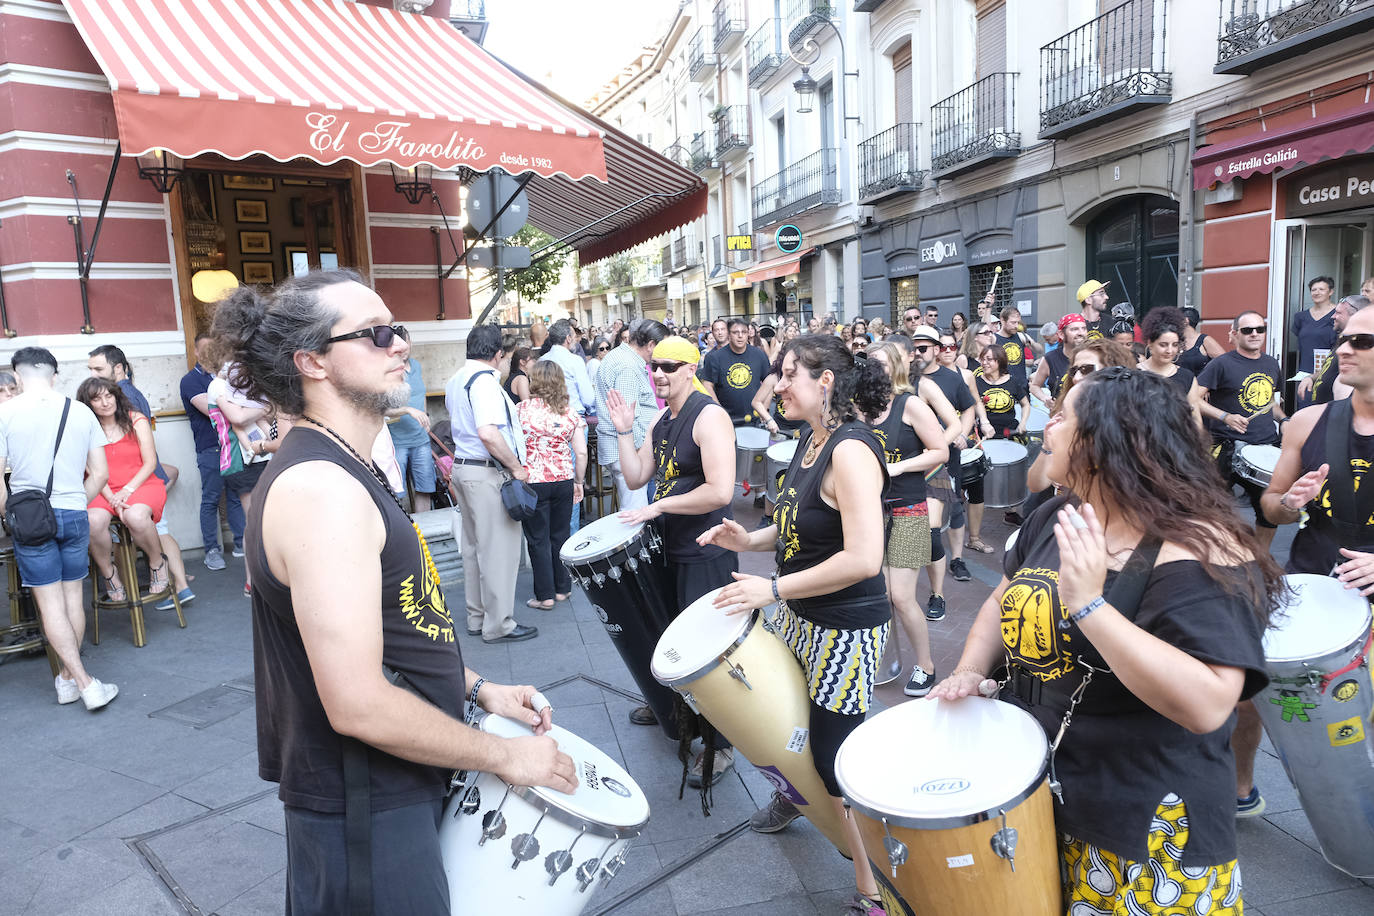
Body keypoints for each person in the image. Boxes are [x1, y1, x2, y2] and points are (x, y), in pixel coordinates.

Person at [208, 270, 574, 915]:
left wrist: (478, 688)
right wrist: (506, 757)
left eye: (397, 329)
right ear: (311, 361)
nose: (400, 343)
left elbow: (394, 625)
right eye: (377, 334)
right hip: (365, 802)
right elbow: (357, 704)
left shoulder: (336, 462)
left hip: (390, 785)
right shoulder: (320, 489)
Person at [931, 367, 1280, 916]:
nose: (1047, 427)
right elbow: (1002, 601)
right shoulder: (1058, 512)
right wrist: (972, 669)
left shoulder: (1198, 547)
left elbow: (1211, 703)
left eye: (1063, 416)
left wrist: (1091, 605)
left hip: (1144, 832)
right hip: (1044, 795)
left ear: (1101, 441)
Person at [700, 334, 891, 916]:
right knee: (784, 721)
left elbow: (864, 558)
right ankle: (797, 799)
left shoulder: (851, 450)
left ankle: (874, 885)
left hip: (846, 629)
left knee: (835, 753)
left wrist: (773, 587)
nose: (776, 384)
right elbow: (796, 528)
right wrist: (749, 539)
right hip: (801, 617)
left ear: (825, 381)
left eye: (788, 374)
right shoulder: (810, 440)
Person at [1251, 302, 1374, 817]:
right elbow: (1271, 508)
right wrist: (1290, 502)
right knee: (1252, 686)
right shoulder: (1307, 421)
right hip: (1311, 579)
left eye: (1361, 342)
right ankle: (1241, 791)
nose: (1343, 348)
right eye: (1344, 337)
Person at [608, 335, 737, 783]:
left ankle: (721, 746)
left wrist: (659, 506)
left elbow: (720, 490)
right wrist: (624, 430)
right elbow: (637, 473)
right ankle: (676, 708)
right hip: (667, 547)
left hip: (705, 551)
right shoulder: (661, 420)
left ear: (690, 369)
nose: (659, 373)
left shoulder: (710, 417)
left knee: (708, 649)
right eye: (654, 366)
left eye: (669, 366)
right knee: (668, 634)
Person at [0, 348, 116, 710]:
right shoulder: (80, 411)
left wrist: (10, 513)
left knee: (50, 606)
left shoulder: (5, 412)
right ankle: (70, 680)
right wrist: (76, 500)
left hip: (31, 517)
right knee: (71, 599)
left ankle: (80, 681)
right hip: (74, 512)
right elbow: (100, 474)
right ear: (54, 375)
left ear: (17, 377)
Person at [446, 324, 538, 644]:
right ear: (499, 354)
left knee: (473, 550)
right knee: (499, 551)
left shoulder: (457, 379)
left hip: (464, 469)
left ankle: (477, 617)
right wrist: (516, 467)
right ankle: (499, 624)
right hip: (485, 472)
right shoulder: (484, 383)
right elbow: (488, 433)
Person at [865, 342, 947, 696]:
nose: (874, 370)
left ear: (896, 367)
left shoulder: (909, 404)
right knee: (880, 595)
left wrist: (899, 466)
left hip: (909, 509)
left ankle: (926, 666)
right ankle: (885, 660)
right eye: (870, 364)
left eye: (881, 364)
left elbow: (940, 450)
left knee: (901, 596)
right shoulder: (862, 410)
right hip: (871, 512)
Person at [87, 344, 193, 608]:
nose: (94, 374)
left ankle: (174, 586)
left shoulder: (127, 398)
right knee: (148, 530)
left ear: (118, 369)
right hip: (118, 484)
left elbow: (145, 453)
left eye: (98, 369)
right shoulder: (104, 411)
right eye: (91, 370)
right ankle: (176, 586)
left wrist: (127, 490)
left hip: (140, 480)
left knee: (145, 528)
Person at [76, 378, 173, 600]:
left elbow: (150, 463)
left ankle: (157, 563)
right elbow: (91, 470)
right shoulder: (84, 428)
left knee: (136, 516)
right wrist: (112, 498)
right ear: (88, 404)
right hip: (102, 488)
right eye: (97, 399)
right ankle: (109, 574)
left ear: (116, 396)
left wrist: (126, 491)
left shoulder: (136, 419)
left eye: (108, 396)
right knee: (93, 520)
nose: (105, 402)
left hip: (140, 483)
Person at [1196, 311, 1286, 549]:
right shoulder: (1221, 364)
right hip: (1225, 448)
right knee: (1214, 511)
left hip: (1265, 447)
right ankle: (1216, 561)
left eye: (1260, 329)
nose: (1255, 334)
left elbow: (1269, 402)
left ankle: (1261, 560)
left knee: (1268, 512)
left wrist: (1284, 420)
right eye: (1247, 330)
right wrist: (1225, 416)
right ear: (1235, 334)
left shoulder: (1271, 363)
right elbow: (1192, 398)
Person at [517, 362, 586, 610]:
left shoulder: (521, 409)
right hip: (564, 480)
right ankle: (562, 589)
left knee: (538, 539)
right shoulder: (569, 412)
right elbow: (580, 451)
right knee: (560, 535)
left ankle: (544, 595)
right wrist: (579, 480)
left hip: (533, 481)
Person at [181, 334, 245, 569]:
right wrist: (241, 406)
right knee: (211, 499)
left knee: (236, 496)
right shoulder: (190, 381)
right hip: (211, 448)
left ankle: (241, 544)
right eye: (205, 349)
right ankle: (212, 551)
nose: (210, 353)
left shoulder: (227, 376)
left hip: (234, 445)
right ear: (196, 352)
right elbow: (213, 410)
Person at [594, 318, 669, 510]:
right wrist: (639, 455)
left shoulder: (622, 356)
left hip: (626, 450)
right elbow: (628, 418)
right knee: (635, 514)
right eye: (664, 347)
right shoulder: (628, 366)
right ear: (651, 345)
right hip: (628, 451)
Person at [385, 354, 435, 513]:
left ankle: (424, 532)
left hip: (421, 440)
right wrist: (407, 410)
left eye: (407, 342)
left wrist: (425, 416)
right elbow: (381, 409)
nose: (404, 348)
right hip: (397, 442)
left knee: (425, 488)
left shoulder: (416, 365)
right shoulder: (386, 369)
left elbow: (421, 394)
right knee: (394, 492)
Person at [699, 318, 771, 426]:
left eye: (744, 332)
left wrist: (764, 409)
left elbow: (769, 383)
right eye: (735, 332)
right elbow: (707, 385)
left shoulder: (759, 355)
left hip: (755, 420)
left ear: (748, 334)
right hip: (727, 420)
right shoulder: (714, 357)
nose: (740, 336)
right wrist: (719, 411)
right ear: (728, 334)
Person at [1140, 306, 1204, 424]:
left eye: (1174, 345)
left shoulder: (1187, 377)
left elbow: (1195, 419)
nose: (1170, 351)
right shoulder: (1134, 374)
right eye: (1163, 345)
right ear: (1150, 344)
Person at [1302, 295, 1369, 404]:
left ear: (1355, 316)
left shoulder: (1362, 347)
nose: (1333, 316)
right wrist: (1311, 378)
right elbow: (1329, 370)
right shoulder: (1342, 341)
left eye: (1338, 313)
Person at [1030, 313, 1087, 408]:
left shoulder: (1094, 356)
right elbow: (1034, 386)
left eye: (1084, 328)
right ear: (1061, 334)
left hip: (1090, 417)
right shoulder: (1050, 359)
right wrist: (1045, 398)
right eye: (1074, 329)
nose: (1081, 333)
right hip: (1061, 417)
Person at [1292, 276, 1337, 392]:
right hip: (1305, 372)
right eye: (1313, 290)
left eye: (1321, 289)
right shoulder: (1300, 317)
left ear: (1331, 292)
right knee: (1306, 404)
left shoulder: (1338, 315)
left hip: (1330, 372)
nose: (1317, 292)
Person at [974, 345, 1029, 440]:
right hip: (985, 432)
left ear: (1000, 360)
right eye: (982, 359)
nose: (984, 363)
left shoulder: (1013, 381)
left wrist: (1023, 423)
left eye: (989, 359)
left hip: (1009, 431)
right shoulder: (975, 382)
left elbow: (1025, 405)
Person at [993, 306, 1040, 385]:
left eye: (1018, 322)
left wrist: (1033, 345)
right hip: (1003, 385)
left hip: (1021, 385)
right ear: (1003, 320)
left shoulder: (1021, 336)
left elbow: (1039, 349)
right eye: (1013, 322)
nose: (1016, 326)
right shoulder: (994, 338)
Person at [1179, 306, 1225, 376]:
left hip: (1200, 385)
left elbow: (1225, 363)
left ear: (1185, 321)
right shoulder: (1175, 341)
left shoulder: (1205, 341)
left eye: (1175, 319)